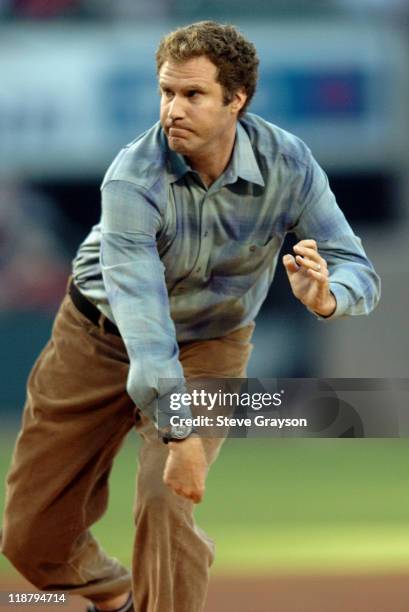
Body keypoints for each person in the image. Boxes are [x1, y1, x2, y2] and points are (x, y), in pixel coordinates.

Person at [0, 21, 380, 612]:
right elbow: (142, 317)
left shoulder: (289, 164)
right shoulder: (132, 177)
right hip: (100, 339)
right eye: (166, 92)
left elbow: (356, 266)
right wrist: (178, 431)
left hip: (212, 343)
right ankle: (117, 594)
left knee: (166, 498)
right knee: (30, 538)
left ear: (237, 99)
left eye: (193, 94)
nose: (173, 109)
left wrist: (328, 296)